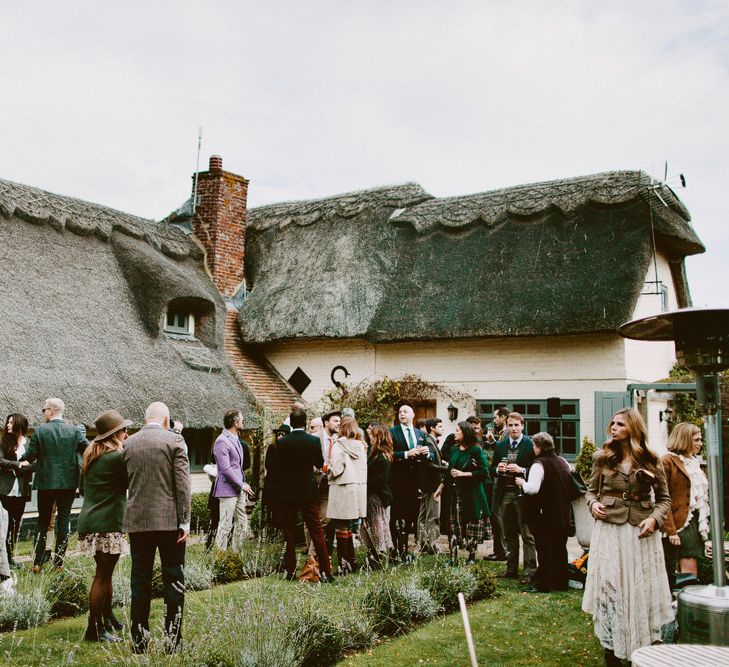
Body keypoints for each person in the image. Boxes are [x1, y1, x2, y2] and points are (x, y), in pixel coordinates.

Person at [582, 408, 672, 666]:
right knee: (611, 588)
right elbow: (590, 492)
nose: (613, 427)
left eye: (620, 424)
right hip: (610, 530)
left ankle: (642, 648)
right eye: (612, 423)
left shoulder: (652, 459)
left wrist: (654, 519)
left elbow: (664, 499)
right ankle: (611, 650)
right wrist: (592, 505)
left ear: (633, 428)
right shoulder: (602, 458)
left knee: (640, 589)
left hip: (640, 534)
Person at [122, 401, 191, 654]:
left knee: (139, 580)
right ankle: (173, 641)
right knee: (173, 578)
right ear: (166, 419)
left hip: (138, 521)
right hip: (169, 520)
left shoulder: (128, 443)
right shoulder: (175, 441)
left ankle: (139, 641)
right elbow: (183, 484)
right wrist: (185, 520)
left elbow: (124, 482)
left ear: (145, 419)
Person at [77, 410, 131, 642]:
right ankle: (94, 629)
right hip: (109, 522)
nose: (127, 433)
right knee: (102, 576)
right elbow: (130, 482)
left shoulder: (91, 455)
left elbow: (82, 489)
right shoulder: (117, 458)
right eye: (124, 430)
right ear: (114, 434)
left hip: (89, 520)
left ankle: (106, 619)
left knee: (105, 574)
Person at [22, 398, 89, 571]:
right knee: (64, 520)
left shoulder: (40, 431)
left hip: (45, 483)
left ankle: (37, 562)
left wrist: (19, 461)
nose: (43, 413)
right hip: (67, 483)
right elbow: (88, 450)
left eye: (44, 410)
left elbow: (30, 454)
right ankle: (59, 563)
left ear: (51, 411)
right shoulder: (74, 431)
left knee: (42, 522)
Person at [273, 410, 333, 582]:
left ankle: (290, 570)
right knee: (316, 531)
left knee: (289, 532)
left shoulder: (283, 443)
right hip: (307, 491)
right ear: (305, 423)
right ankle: (326, 571)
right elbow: (319, 463)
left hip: (288, 492)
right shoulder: (313, 440)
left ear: (291, 423)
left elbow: (278, 469)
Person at [516, 432, 573, 592]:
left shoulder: (538, 464)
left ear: (539, 447)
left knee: (544, 549)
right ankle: (561, 582)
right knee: (560, 548)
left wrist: (522, 483)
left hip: (545, 513)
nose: (533, 448)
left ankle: (544, 584)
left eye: (534, 445)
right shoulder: (563, 461)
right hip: (562, 512)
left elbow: (533, 489)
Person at [661, 422, 709, 589]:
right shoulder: (667, 460)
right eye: (696, 440)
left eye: (700, 440)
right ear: (685, 439)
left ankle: (687, 604)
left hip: (693, 520)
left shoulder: (693, 462)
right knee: (686, 566)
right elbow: (662, 498)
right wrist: (671, 530)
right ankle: (682, 604)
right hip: (677, 523)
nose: (700, 443)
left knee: (690, 564)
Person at [490, 412, 536, 583]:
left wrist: (522, 470)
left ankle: (530, 570)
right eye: (510, 425)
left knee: (527, 534)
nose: (514, 428)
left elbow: (538, 468)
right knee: (509, 533)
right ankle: (511, 569)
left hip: (522, 494)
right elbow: (491, 468)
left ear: (522, 426)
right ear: (506, 427)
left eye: (517, 425)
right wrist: (498, 470)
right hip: (505, 494)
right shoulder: (501, 445)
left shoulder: (530, 445)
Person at [435, 421, 489, 563]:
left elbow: (484, 472)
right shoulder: (454, 449)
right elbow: (449, 471)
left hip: (472, 494)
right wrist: (440, 488)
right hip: (455, 493)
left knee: (471, 525)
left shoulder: (475, 450)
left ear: (465, 433)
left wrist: (463, 474)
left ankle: (471, 557)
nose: (455, 433)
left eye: (458, 430)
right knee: (454, 524)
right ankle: (453, 557)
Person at [327, 416, 367, 573]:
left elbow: (336, 469)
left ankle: (343, 565)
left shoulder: (339, 445)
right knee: (349, 527)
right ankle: (352, 561)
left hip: (343, 487)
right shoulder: (362, 445)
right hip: (358, 488)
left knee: (340, 527)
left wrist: (327, 471)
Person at [389, 405, 429, 561]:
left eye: (405, 411)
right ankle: (396, 551)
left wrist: (427, 453)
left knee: (411, 517)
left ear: (413, 414)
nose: (401, 414)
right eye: (399, 412)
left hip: (415, 483)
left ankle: (405, 549)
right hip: (398, 482)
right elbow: (388, 454)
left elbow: (427, 456)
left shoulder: (419, 433)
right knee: (397, 516)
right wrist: (406, 454)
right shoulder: (392, 433)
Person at [212, 410, 254, 551]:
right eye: (242, 420)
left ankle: (235, 557)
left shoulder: (236, 438)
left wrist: (243, 482)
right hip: (227, 489)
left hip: (238, 489)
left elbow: (238, 467)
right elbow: (225, 468)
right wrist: (242, 484)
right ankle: (220, 560)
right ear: (235, 423)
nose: (243, 422)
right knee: (225, 525)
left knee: (242, 523)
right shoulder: (221, 441)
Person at [0, 414, 35, 567]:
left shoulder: (29, 443)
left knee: (15, 524)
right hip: (5, 489)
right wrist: (18, 465)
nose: (7, 425)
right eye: (7, 422)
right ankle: (3, 559)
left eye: (11, 422)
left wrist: (21, 469)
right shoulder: (3, 442)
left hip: (21, 490)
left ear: (19, 424)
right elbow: (0, 461)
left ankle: (10, 558)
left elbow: (35, 462)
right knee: (3, 525)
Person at [359, 424, 393, 569]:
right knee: (371, 527)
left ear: (378, 437)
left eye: (372, 436)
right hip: (371, 495)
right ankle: (373, 556)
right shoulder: (374, 454)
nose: (370, 438)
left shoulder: (382, 457)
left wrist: (363, 483)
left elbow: (380, 480)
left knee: (377, 527)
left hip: (376, 497)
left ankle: (378, 558)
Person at [483, 408, 509, 561]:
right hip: (496, 478)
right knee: (495, 515)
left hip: (501, 481)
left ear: (503, 417)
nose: (493, 420)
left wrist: (495, 443)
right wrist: (493, 443)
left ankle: (501, 550)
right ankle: (499, 549)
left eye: (495, 417)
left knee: (496, 514)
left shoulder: (506, 434)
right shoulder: (501, 435)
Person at [417, 418, 444, 554]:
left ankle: (423, 543)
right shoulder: (429, 442)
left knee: (423, 515)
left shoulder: (430, 441)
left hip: (426, 484)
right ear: (432, 428)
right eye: (440, 426)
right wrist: (444, 468)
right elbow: (428, 465)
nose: (442, 428)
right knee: (432, 516)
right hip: (432, 484)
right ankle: (432, 545)